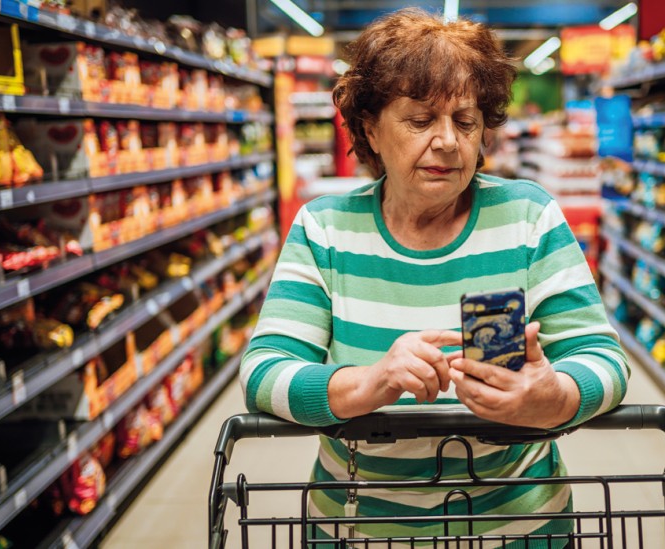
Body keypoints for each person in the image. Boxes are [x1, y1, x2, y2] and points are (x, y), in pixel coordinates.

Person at [240, 7, 630, 545]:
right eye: (421, 121)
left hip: (516, 527)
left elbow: (605, 361)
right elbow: (264, 373)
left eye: (465, 121)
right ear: (371, 130)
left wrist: (553, 396)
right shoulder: (325, 228)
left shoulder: (528, 218)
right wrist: (372, 382)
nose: (447, 140)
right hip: (362, 529)